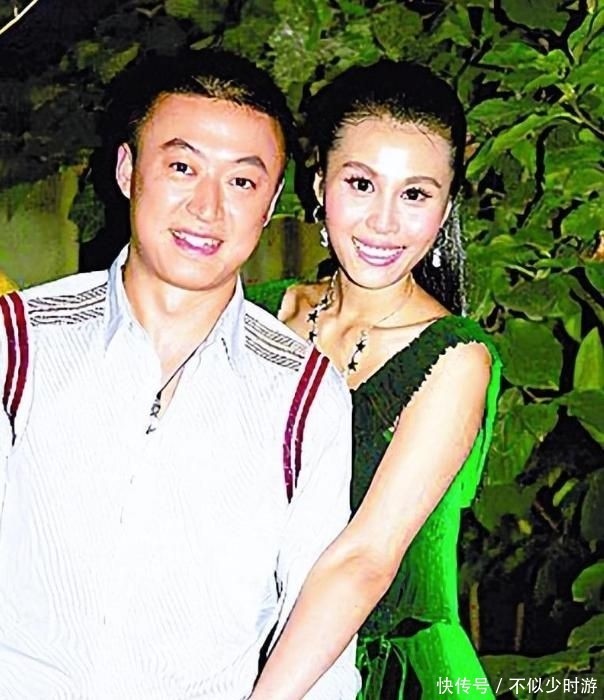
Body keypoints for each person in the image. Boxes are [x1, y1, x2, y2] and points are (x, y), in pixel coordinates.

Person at [0, 50, 360, 699]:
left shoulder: (303, 397)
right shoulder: (21, 343)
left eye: (241, 182)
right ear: (127, 170)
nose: (207, 207)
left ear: (270, 204)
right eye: (182, 167)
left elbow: (321, 641)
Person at [247, 60, 502, 699]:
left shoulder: (454, 358)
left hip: (391, 672)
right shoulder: (256, 314)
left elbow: (366, 559)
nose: (384, 223)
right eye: (361, 184)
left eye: (415, 194)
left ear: (445, 208)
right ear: (319, 185)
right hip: (242, 648)